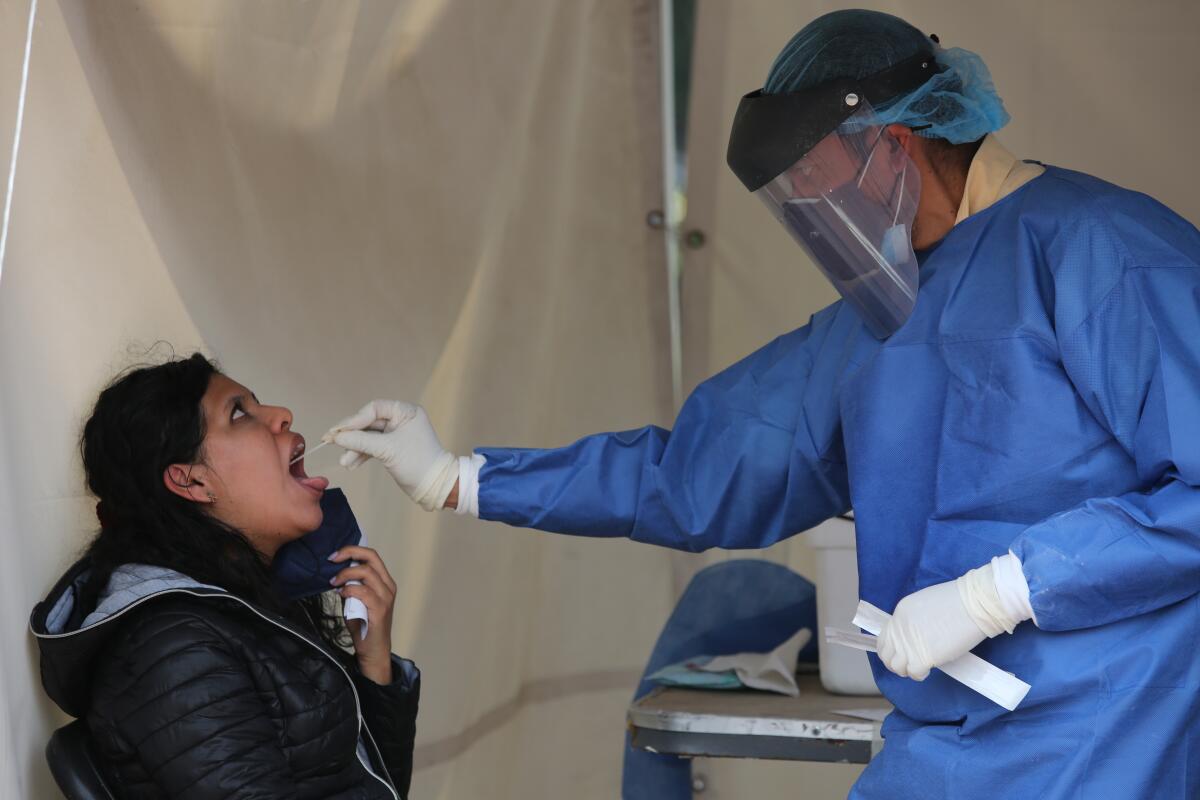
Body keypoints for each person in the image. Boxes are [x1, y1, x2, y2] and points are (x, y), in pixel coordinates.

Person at [326, 10, 1200, 799]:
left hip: (1113, 732)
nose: (817, 209)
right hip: (947, 746)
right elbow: (703, 467)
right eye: (796, 195)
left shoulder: (1107, 252)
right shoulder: (880, 318)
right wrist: (463, 479)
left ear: (897, 143)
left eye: (824, 176)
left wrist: (1001, 592)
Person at [30, 354, 419, 799]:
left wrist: (375, 664)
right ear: (192, 482)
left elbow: (371, 788)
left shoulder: (249, 606)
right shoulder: (175, 649)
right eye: (240, 413)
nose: (282, 416)